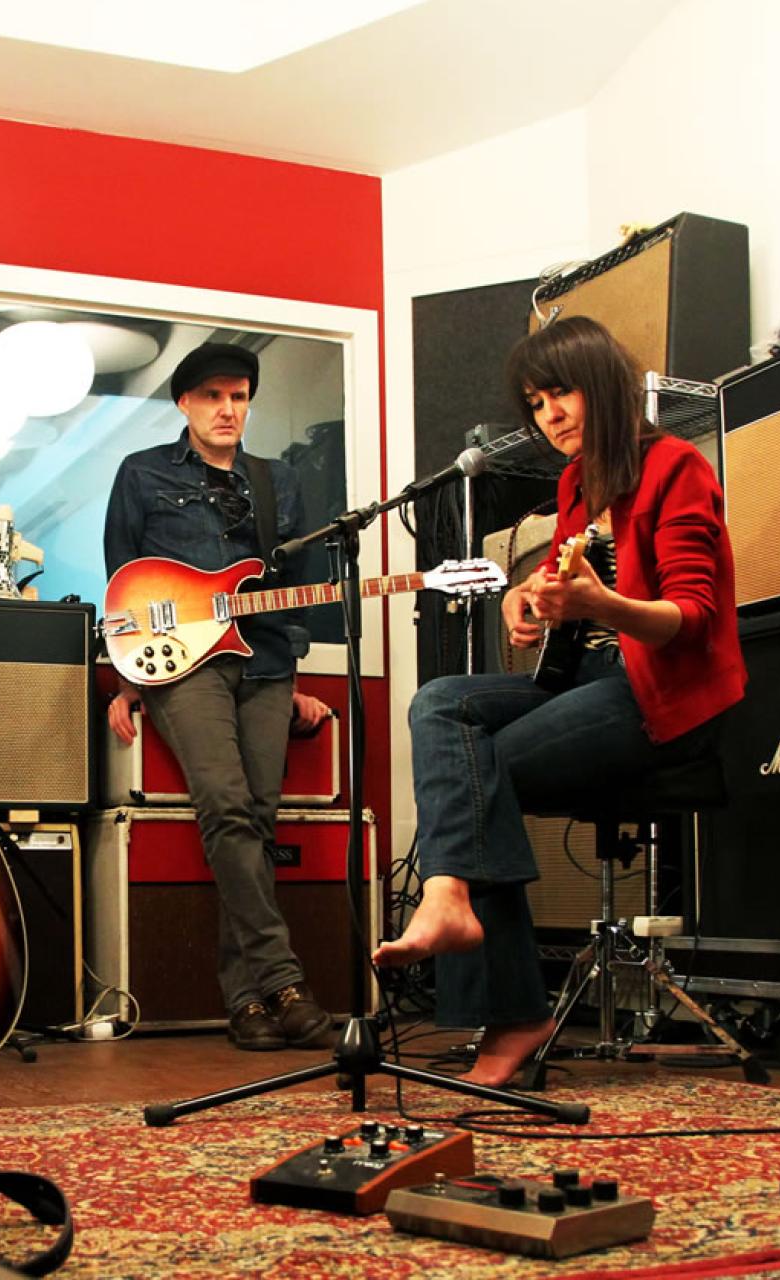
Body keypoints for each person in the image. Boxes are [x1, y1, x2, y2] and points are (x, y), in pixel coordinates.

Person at [373, 316, 747, 1085]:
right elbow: (574, 588)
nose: (549, 415)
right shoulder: (578, 484)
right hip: (584, 681)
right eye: (536, 402)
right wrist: (529, 597)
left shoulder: (677, 467)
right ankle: (454, 904)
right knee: (442, 702)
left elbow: (692, 618)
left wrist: (599, 605)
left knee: (478, 774)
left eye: (560, 392)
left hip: (662, 695)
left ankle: (509, 1008)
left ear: (603, 384)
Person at [104, 342, 336, 1051]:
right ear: (184, 403)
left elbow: (294, 583)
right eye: (212, 396)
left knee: (259, 820)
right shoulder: (142, 474)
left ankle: (248, 1001)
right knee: (227, 806)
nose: (227, 409)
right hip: (182, 667)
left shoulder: (278, 480)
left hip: (264, 660)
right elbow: (123, 582)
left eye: (238, 395)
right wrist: (131, 679)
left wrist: (299, 676)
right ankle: (284, 979)